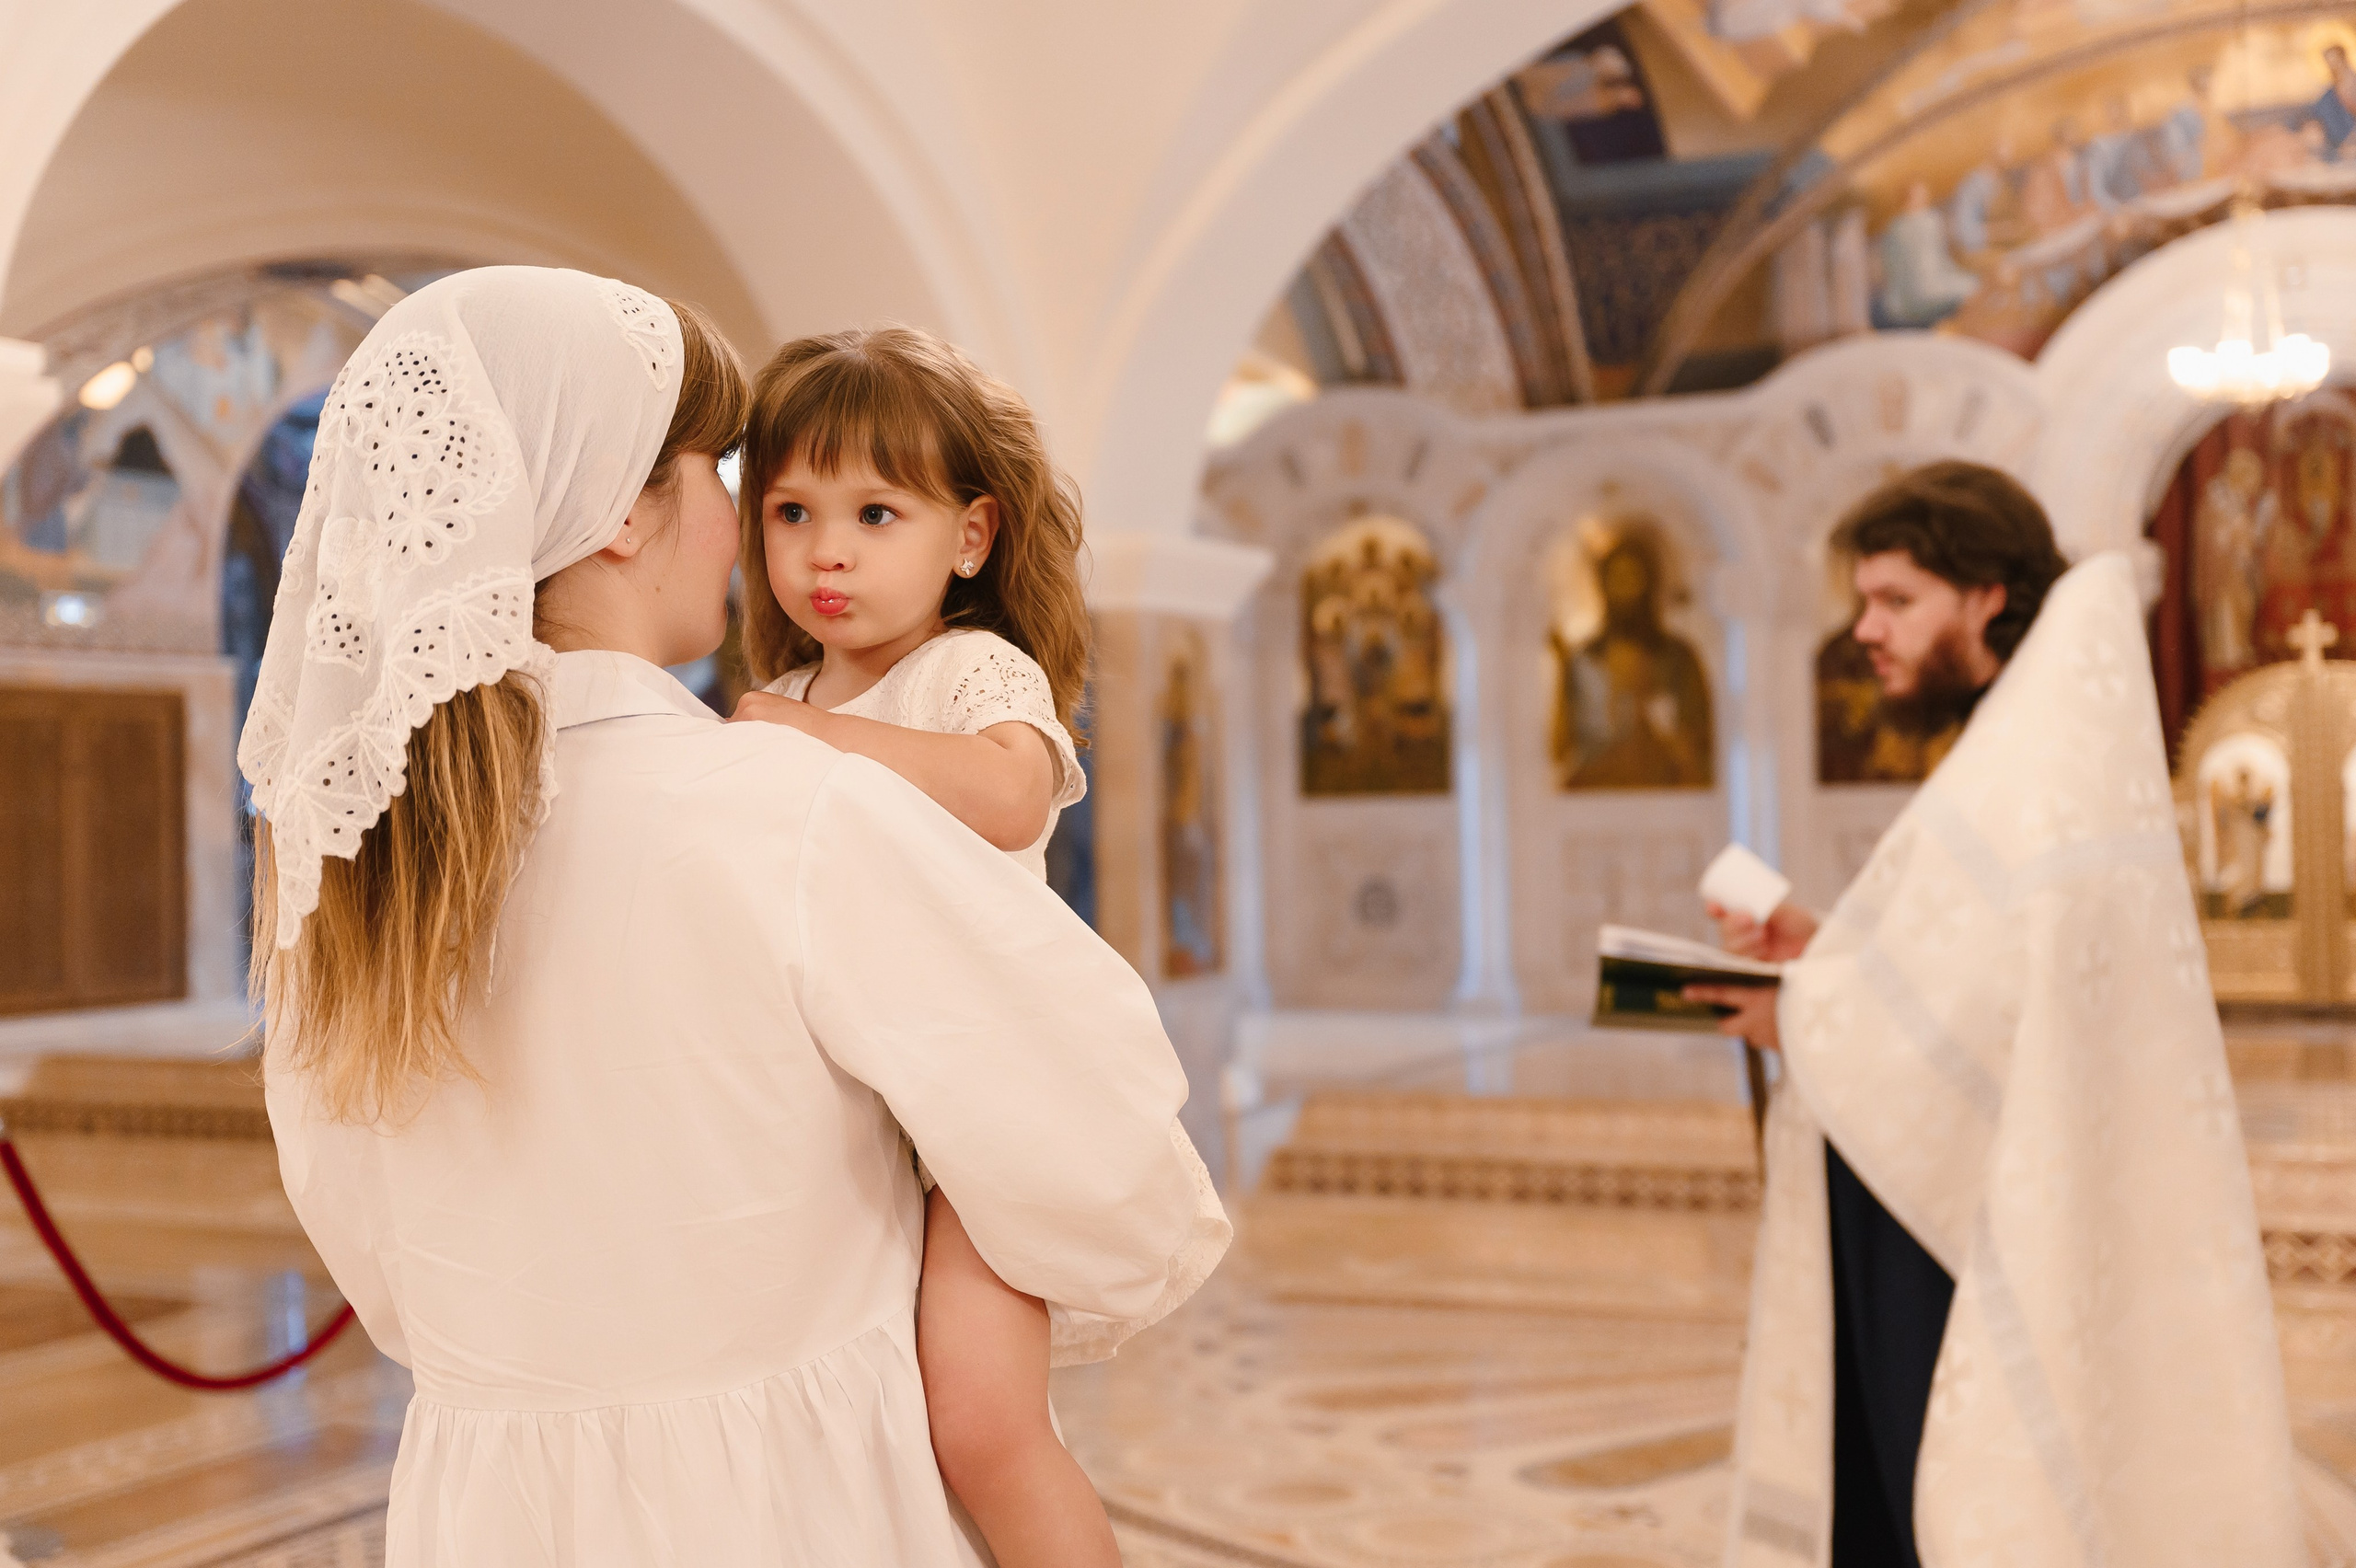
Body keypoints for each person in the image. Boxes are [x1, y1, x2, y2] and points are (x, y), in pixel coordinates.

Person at [243, 268, 1229, 1566]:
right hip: (793, 1510)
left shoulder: (351, 889)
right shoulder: (792, 811)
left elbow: (378, 1266)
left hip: (487, 1513)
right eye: (720, 470)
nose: (751, 519)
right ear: (620, 516)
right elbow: (1104, 1157)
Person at [1689, 462, 2301, 1568]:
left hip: (1960, 1216)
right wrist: (1823, 955)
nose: (1864, 629)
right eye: (1862, 599)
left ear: (1983, 595)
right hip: (1936, 1186)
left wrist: (1810, 1006)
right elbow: (1980, 980)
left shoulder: (2033, 756)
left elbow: (2000, 995)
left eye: (1895, 601)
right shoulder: (2028, 739)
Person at [724, 325, 1222, 1567]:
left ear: (973, 535)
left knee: (983, 1424)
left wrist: (799, 743)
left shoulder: (968, 672)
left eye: (876, 513)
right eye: (791, 510)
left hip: (976, 1109)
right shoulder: (785, 696)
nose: (826, 550)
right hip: (845, 1107)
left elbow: (1010, 793)